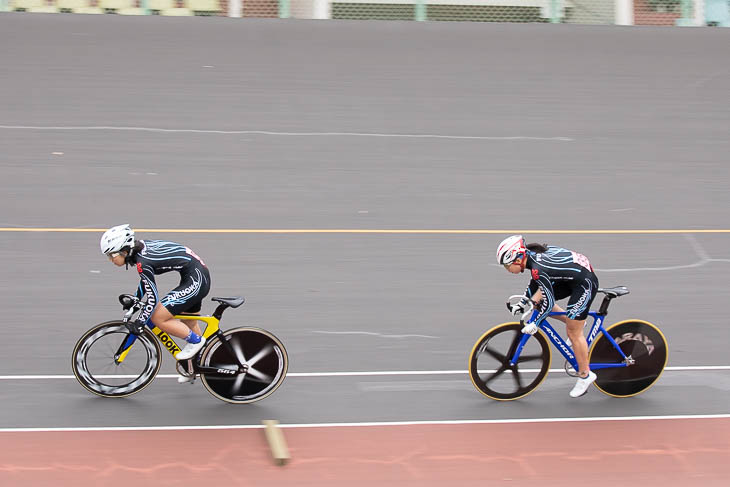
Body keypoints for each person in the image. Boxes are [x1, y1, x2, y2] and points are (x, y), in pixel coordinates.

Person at [100, 224, 211, 382]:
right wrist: (136, 298)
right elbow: (145, 281)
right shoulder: (139, 250)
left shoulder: (142, 262)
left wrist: (139, 321)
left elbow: (153, 299)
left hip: (196, 280)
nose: (110, 260)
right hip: (195, 275)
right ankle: (194, 366)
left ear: (124, 250)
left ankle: (196, 342)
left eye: (111, 255)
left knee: (157, 318)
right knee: (189, 322)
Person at [496, 235, 599, 398]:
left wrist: (535, 322)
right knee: (537, 302)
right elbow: (535, 283)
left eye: (506, 266)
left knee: (573, 333)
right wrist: (523, 303)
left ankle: (585, 375)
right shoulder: (531, 258)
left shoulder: (538, 267)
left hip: (583, 283)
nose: (507, 270)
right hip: (571, 276)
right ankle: (574, 321)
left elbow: (549, 302)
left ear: (517, 259)